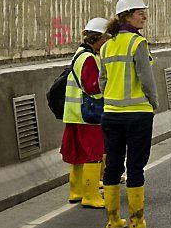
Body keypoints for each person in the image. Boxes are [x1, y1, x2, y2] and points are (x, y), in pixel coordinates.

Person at [99, 0, 159, 228]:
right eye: (139, 12)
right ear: (127, 16)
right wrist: (153, 103)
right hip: (137, 115)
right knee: (135, 167)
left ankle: (113, 220)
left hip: (111, 114)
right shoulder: (138, 43)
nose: (145, 16)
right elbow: (146, 78)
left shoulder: (107, 46)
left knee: (113, 165)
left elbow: (102, 81)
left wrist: (112, 100)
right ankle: (138, 221)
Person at [60, 17, 109, 209]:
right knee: (93, 153)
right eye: (105, 38)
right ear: (98, 38)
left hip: (73, 112)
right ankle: (90, 195)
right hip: (87, 114)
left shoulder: (79, 54)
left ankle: (76, 191)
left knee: (78, 153)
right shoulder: (89, 58)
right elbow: (92, 87)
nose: (106, 42)